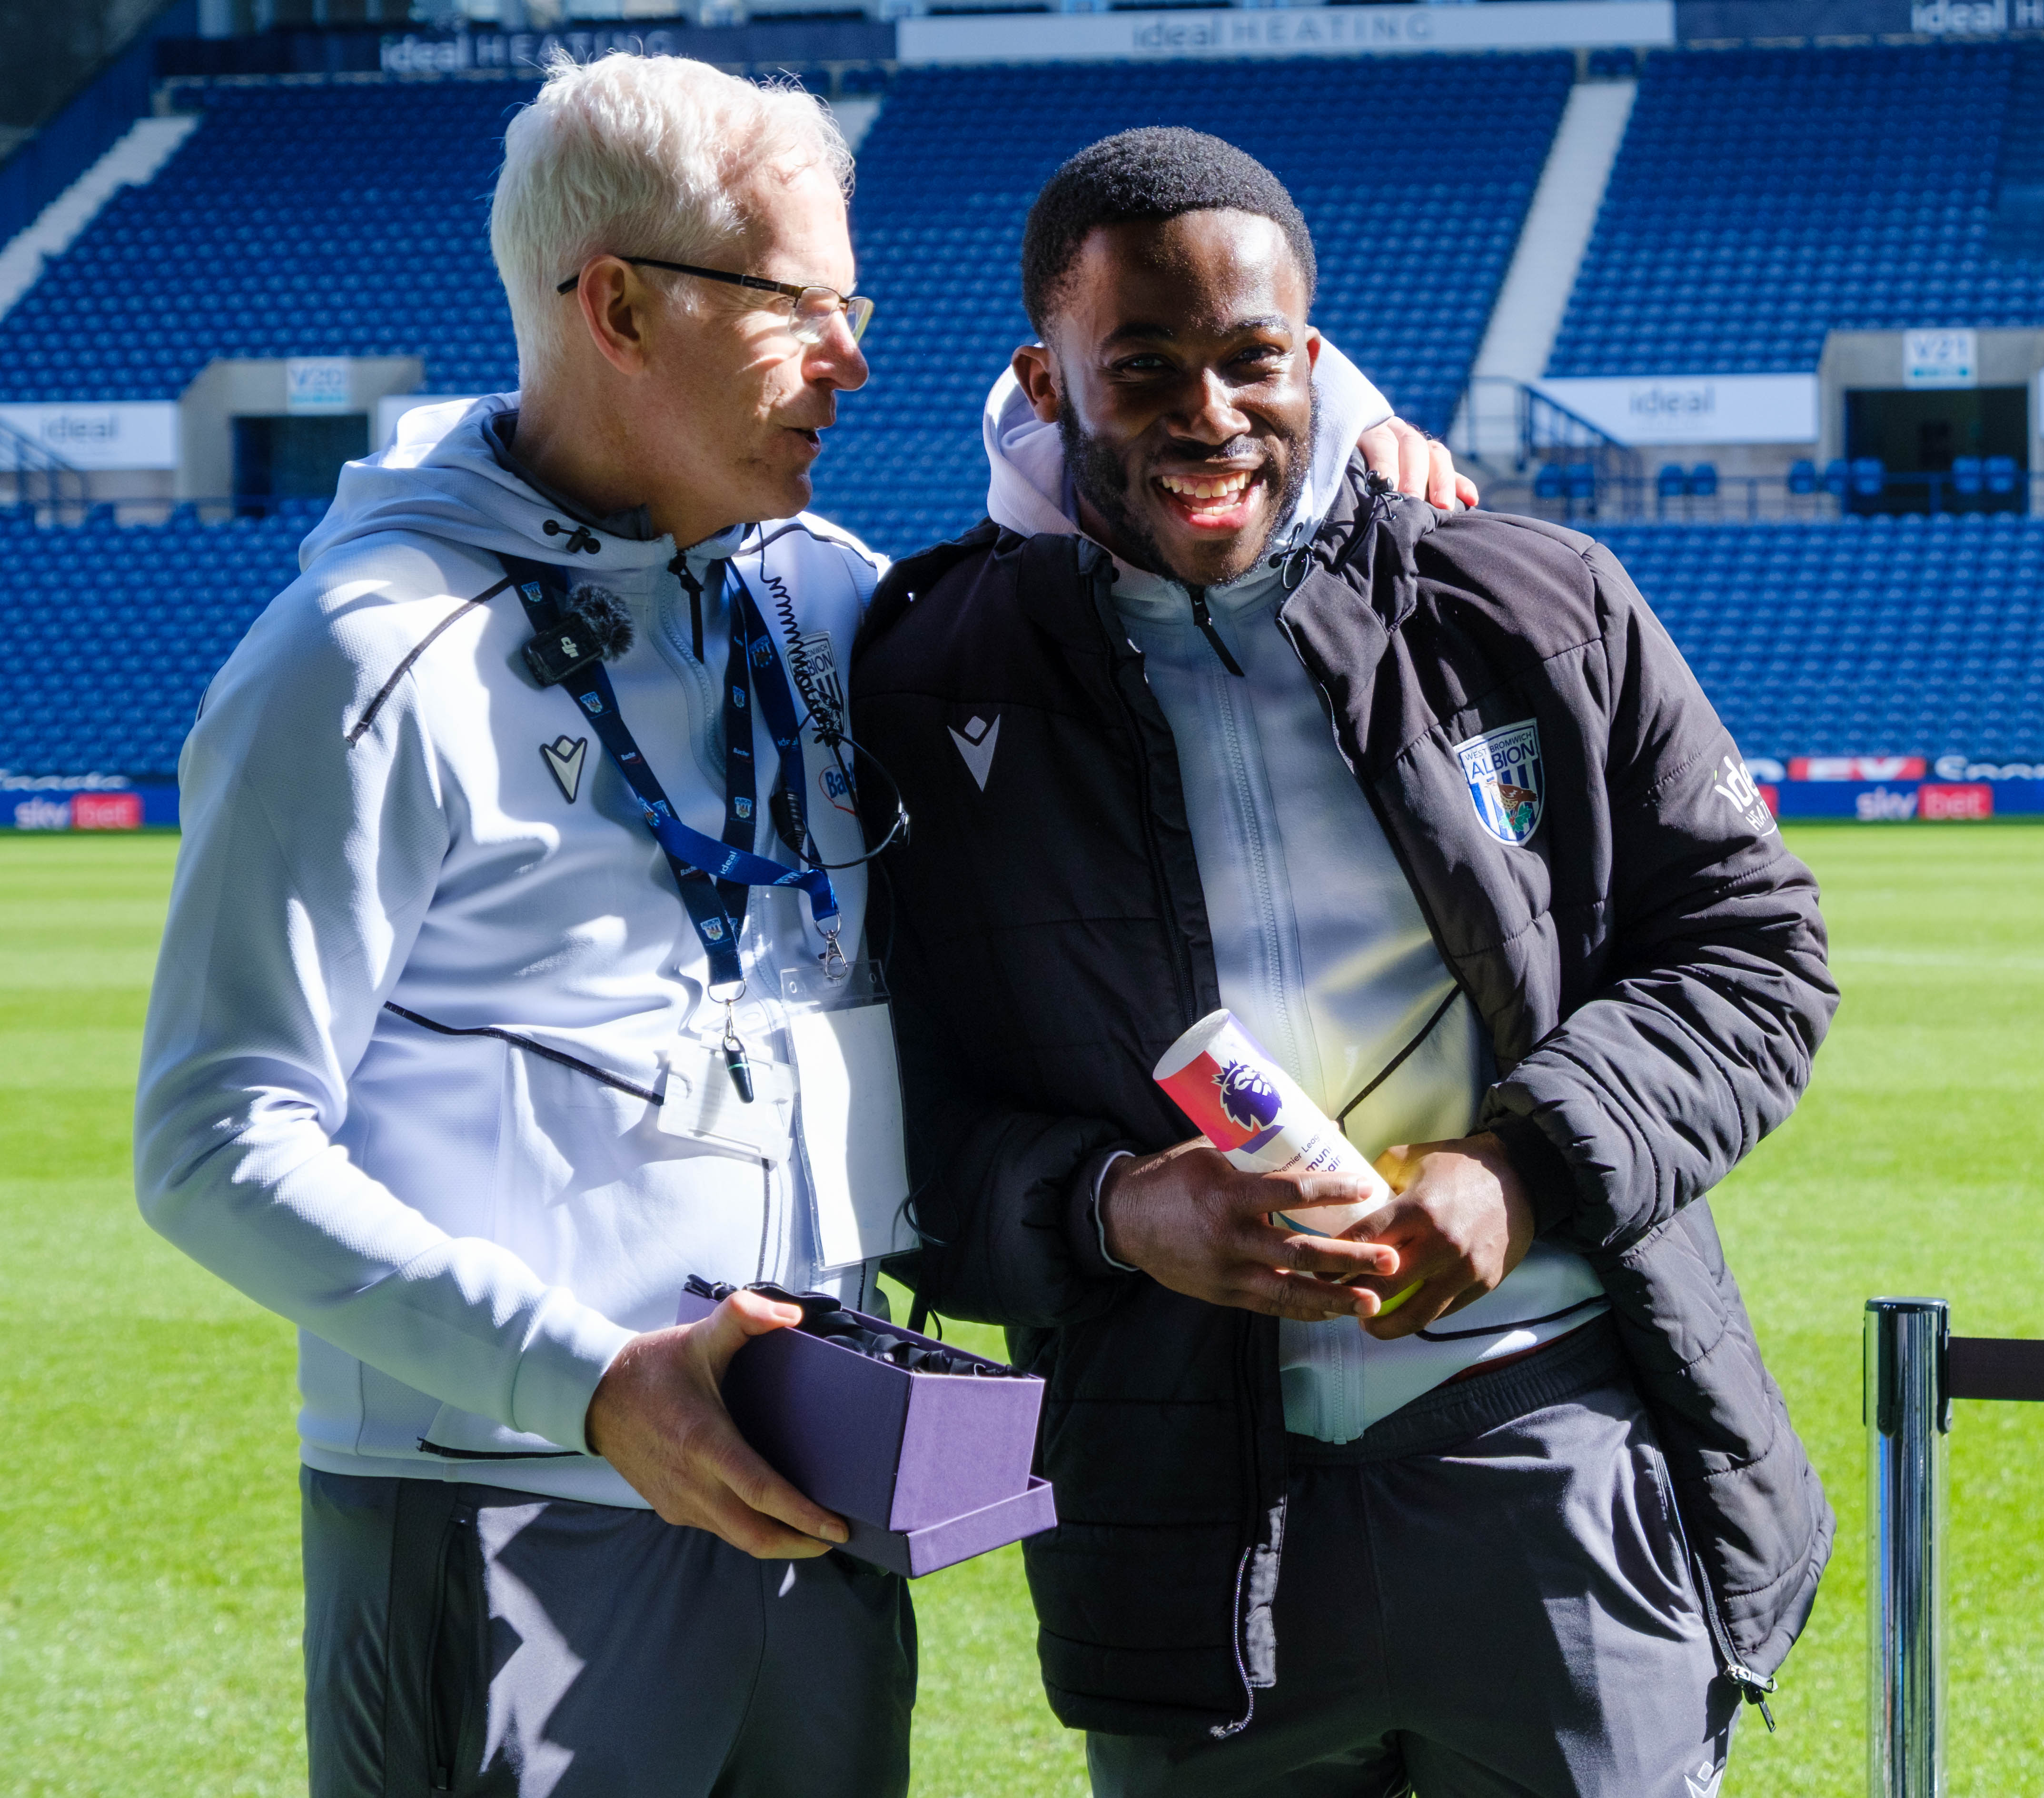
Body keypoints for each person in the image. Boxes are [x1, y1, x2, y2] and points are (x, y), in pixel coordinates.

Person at [133, 59, 1461, 1798]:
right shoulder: (361, 666)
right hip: (511, 1498)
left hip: (822, 1497)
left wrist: (1354, 449)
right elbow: (210, 1140)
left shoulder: (820, 589)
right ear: (614, 303)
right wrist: (596, 1382)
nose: (850, 358)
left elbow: (1105, 530)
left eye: (857, 306)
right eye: (798, 309)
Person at [850, 128, 1840, 1798]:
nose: (1207, 413)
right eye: (1142, 364)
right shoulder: (930, 678)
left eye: (1250, 360)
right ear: (1046, 376)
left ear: (1313, 359)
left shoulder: (1533, 605)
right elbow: (897, 1118)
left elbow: (1753, 954)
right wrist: (1111, 1209)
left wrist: (1520, 1171)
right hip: (1179, 1522)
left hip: (1555, 1464)